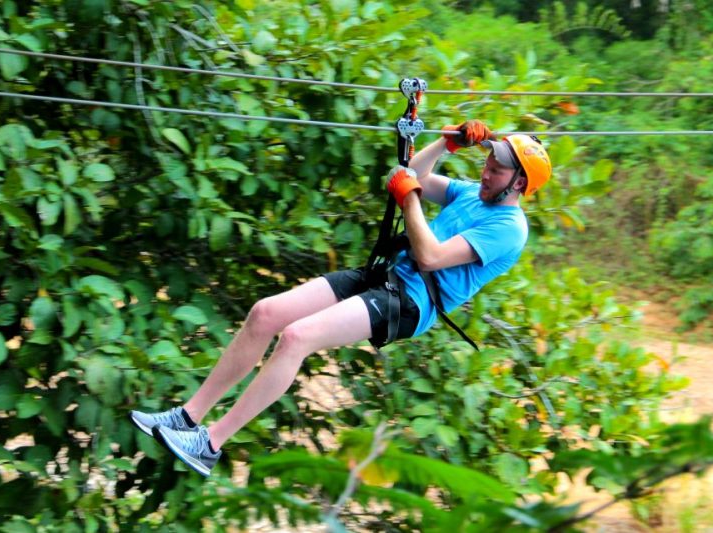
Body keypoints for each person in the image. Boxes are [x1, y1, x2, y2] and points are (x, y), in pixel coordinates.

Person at [129, 120, 552, 477]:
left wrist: (409, 198)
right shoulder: (474, 194)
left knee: (296, 337)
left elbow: (429, 255)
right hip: (384, 275)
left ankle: (211, 443)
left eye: (496, 170)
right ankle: (187, 417)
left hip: (410, 302)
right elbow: (415, 176)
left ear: (517, 183)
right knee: (265, 314)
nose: (485, 172)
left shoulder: (509, 228)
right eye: (487, 162)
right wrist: (446, 144)